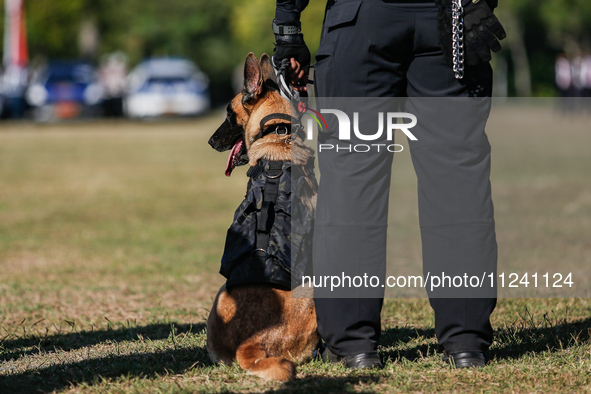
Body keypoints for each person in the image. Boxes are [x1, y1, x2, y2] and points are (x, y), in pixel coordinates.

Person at [272, 0, 506, 369]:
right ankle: (466, 342)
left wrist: (287, 30)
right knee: (458, 182)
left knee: (352, 184)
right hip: (450, 20)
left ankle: (354, 346)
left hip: (361, 21)